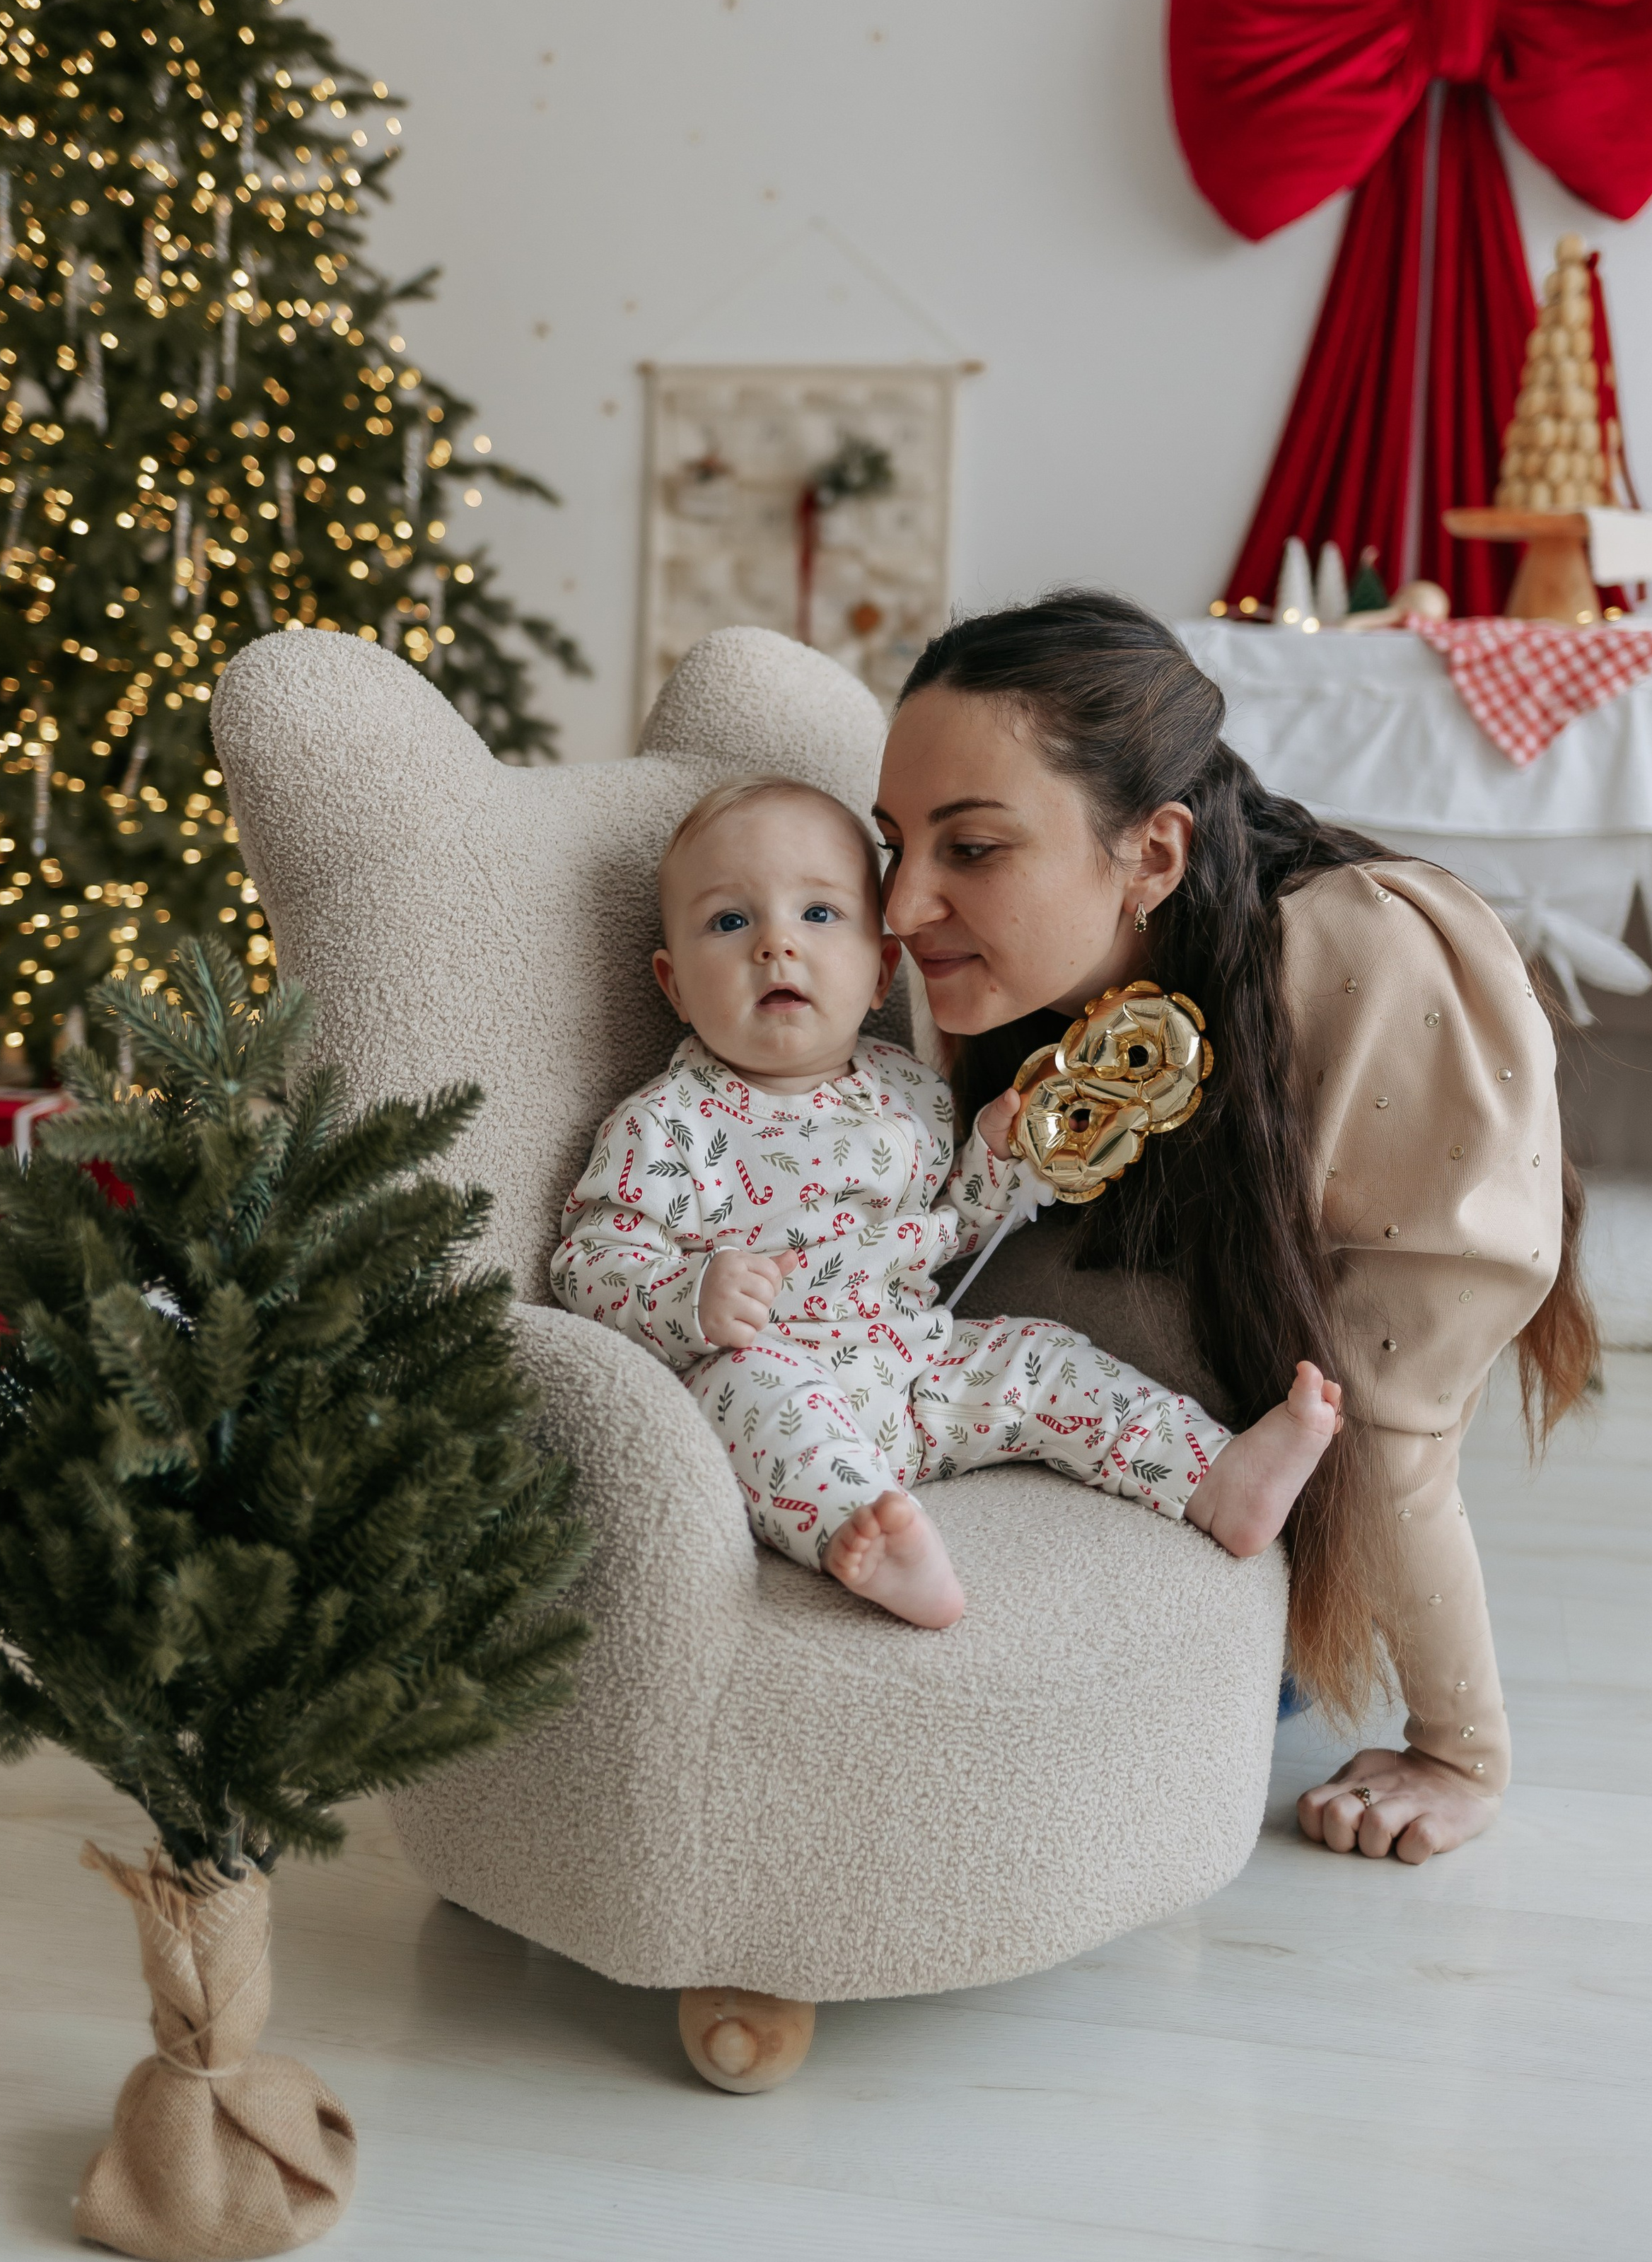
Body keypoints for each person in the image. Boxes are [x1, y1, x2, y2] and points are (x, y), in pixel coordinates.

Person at [873, 590, 1597, 1862]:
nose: (899, 908)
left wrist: (1457, 1750)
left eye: (972, 848)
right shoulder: (1017, 975)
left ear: (1153, 854)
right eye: (895, 847)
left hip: (1246, 1505)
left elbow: (1395, 1411)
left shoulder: (1362, 957)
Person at [552, 773, 1344, 1629]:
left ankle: (1209, 1476)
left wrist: (994, 1167)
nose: (776, 945)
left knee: (1039, 1357)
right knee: (752, 1395)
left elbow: (946, 1233)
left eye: (819, 915)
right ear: (673, 984)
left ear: (880, 968)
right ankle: (867, 1531)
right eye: (730, 921)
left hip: (916, 1364)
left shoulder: (907, 1094)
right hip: (778, 1365)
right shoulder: (666, 1124)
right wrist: (690, 1297)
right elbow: (588, 1262)